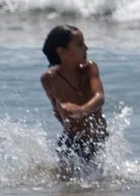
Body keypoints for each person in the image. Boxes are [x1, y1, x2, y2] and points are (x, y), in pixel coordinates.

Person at [41, 25, 107, 169]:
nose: (86, 48)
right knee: (68, 188)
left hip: (97, 140)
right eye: (79, 45)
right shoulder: (48, 79)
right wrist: (68, 115)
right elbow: (57, 112)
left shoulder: (90, 68)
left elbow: (99, 98)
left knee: (97, 184)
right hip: (70, 141)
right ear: (62, 51)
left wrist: (80, 110)